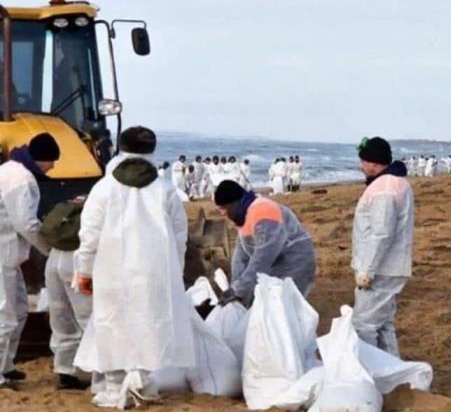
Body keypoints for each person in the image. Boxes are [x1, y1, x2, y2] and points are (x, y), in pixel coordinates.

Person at [74, 126, 194, 408]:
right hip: (154, 270)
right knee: (150, 323)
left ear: (120, 147)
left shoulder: (104, 187)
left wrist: (84, 270)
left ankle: (116, 390)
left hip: (111, 268)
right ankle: (143, 383)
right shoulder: (164, 189)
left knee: (112, 323)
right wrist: (174, 271)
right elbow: (180, 236)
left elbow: (89, 233)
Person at [0, 133, 57, 389]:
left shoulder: (11, 169)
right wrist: (49, 248)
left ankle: (6, 365)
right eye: (52, 161)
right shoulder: (21, 180)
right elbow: (27, 223)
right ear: (42, 158)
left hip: (10, 257)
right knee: (5, 316)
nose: (53, 167)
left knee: (20, 309)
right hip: (3, 254)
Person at [352, 137, 414, 357]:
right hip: (388, 266)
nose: (361, 167)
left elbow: (382, 233)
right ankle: (391, 370)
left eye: (363, 162)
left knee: (364, 325)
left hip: (381, 269)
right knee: (383, 323)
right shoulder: (392, 183)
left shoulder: (385, 188)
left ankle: (371, 372)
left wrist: (366, 271)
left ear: (374, 162)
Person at [214, 180, 316, 305]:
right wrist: (234, 288)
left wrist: (238, 289)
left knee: (283, 309)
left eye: (224, 208)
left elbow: (263, 258)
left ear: (234, 203)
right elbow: (240, 258)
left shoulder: (264, 213)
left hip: (294, 263)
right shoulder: (243, 216)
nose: (223, 213)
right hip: (275, 264)